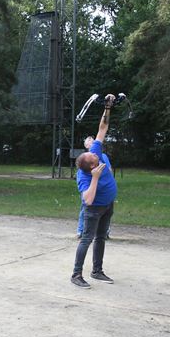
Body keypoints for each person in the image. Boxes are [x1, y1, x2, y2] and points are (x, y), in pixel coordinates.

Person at [71, 94, 118, 289]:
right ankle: (76, 274)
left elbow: (102, 128)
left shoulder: (96, 153)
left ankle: (97, 271)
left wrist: (108, 107)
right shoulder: (85, 177)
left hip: (107, 205)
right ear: (91, 166)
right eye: (92, 156)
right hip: (94, 209)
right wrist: (96, 179)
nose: (95, 152)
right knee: (87, 239)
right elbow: (87, 200)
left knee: (101, 238)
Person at [76, 136, 112, 239]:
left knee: (106, 209)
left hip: (102, 189)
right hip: (90, 188)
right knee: (85, 208)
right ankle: (81, 230)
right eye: (89, 142)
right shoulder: (84, 160)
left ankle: (105, 231)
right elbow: (82, 176)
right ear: (86, 146)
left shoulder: (103, 156)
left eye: (93, 141)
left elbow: (109, 169)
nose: (93, 142)